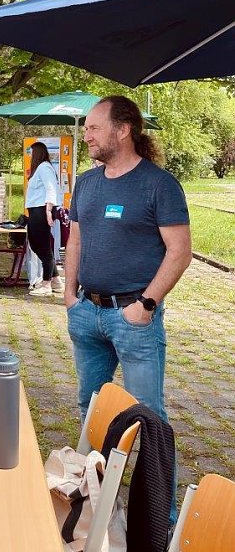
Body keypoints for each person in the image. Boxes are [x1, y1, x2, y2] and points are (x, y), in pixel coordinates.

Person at [64, 95, 192, 424]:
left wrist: (146, 305)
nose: (86, 136)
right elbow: (75, 240)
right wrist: (69, 296)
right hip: (86, 312)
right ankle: (95, 461)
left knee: (147, 416)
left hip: (133, 317)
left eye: (94, 128)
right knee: (90, 408)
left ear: (123, 130)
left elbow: (180, 252)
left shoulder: (159, 185)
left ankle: (154, 464)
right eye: (86, 129)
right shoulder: (86, 183)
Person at [25, 141, 65, 296]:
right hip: (35, 210)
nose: (30, 156)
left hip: (41, 210)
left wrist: (48, 210)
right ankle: (56, 280)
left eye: (31, 153)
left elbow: (51, 188)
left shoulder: (44, 167)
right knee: (36, 244)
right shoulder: (39, 169)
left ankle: (46, 284)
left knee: (42, 246)